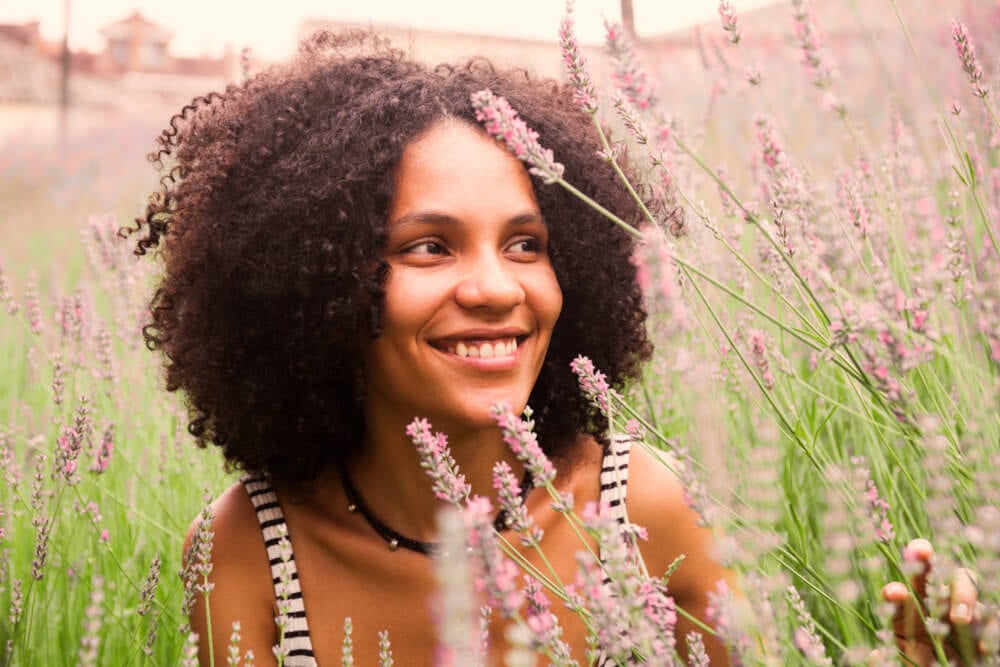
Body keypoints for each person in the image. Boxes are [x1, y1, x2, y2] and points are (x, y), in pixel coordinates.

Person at [128, 30, 978, 667]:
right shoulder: (245, 549)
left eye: (527, 244)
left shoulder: (641, 511)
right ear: (316, 283)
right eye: (430, 246)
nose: (499, 288)